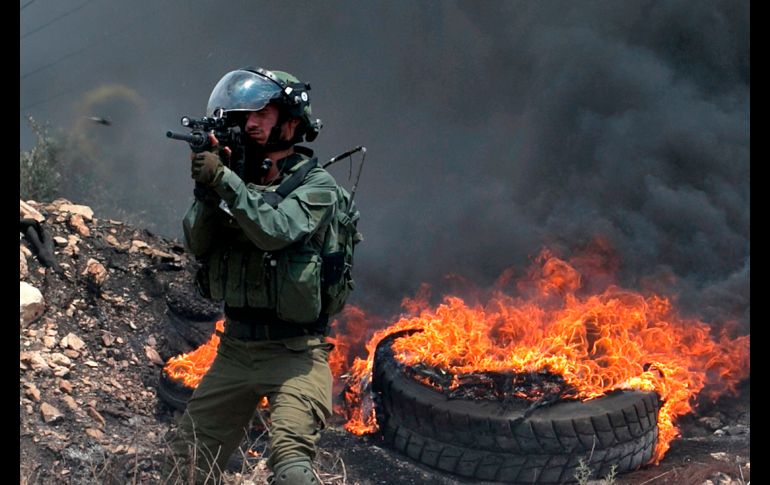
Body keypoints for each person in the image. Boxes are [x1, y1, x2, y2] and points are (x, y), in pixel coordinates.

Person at [167, 67, 337, 485]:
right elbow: (197, 243)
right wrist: (207, 193)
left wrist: (224, 180)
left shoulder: (317, 186)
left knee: (293, 469)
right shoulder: (236, 184)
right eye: (245, 115)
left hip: (296, 356)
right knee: (184, 467)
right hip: (235, 351)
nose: (250, 123)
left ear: (292, 122)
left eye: (262, 113)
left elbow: (277, 231)